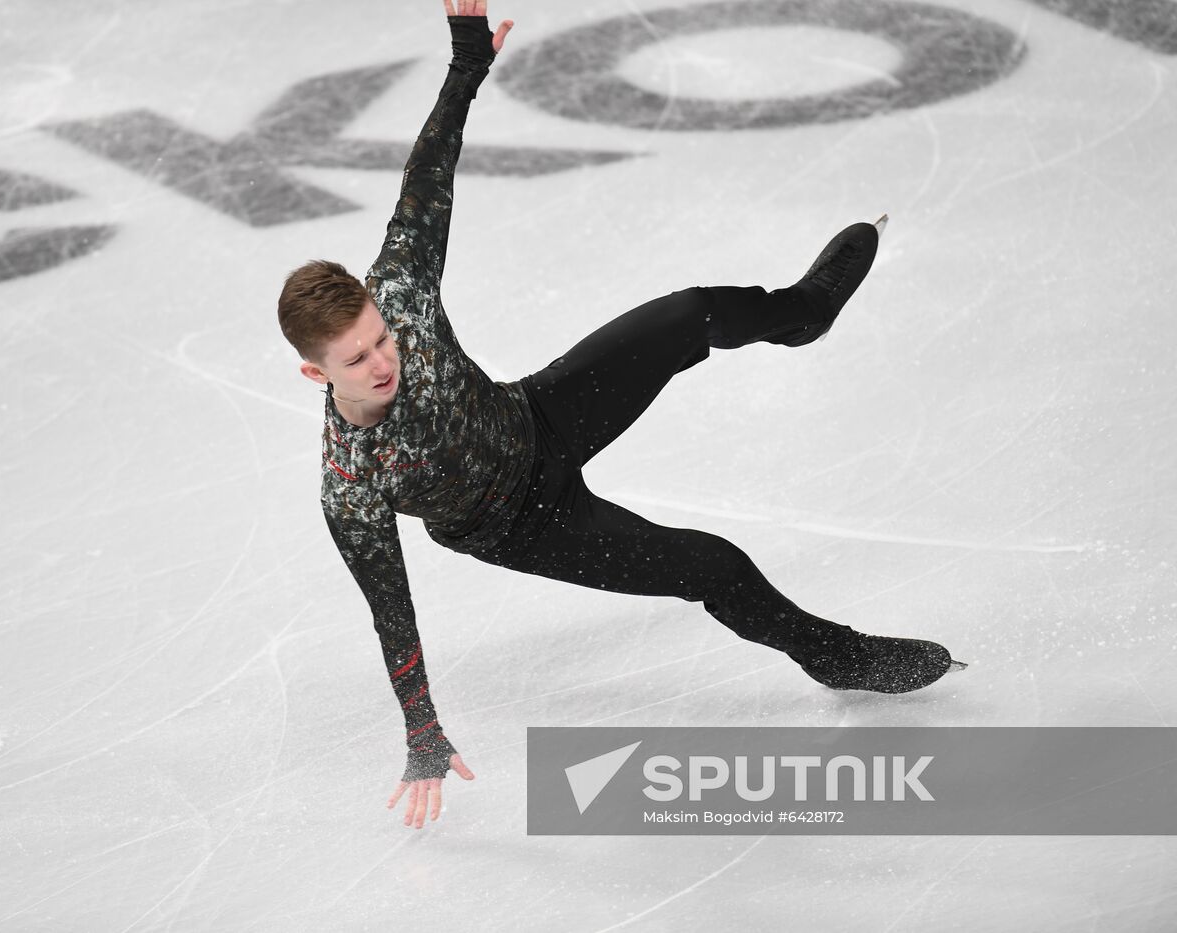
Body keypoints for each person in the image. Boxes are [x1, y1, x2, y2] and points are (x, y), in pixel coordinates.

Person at [276, 0, 962, 830]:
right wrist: (423, 730)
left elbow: (428, 174)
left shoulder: (402, 294)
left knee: (686, 314)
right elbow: (394, 610)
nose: (383, 359)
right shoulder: (350, 481)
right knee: (711, 565)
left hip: (536, 414)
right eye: (357, 360)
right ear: (316, 371)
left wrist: (467, 62)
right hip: (523, 522)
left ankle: (804, 312)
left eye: (380, 339)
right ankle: (835, 653)